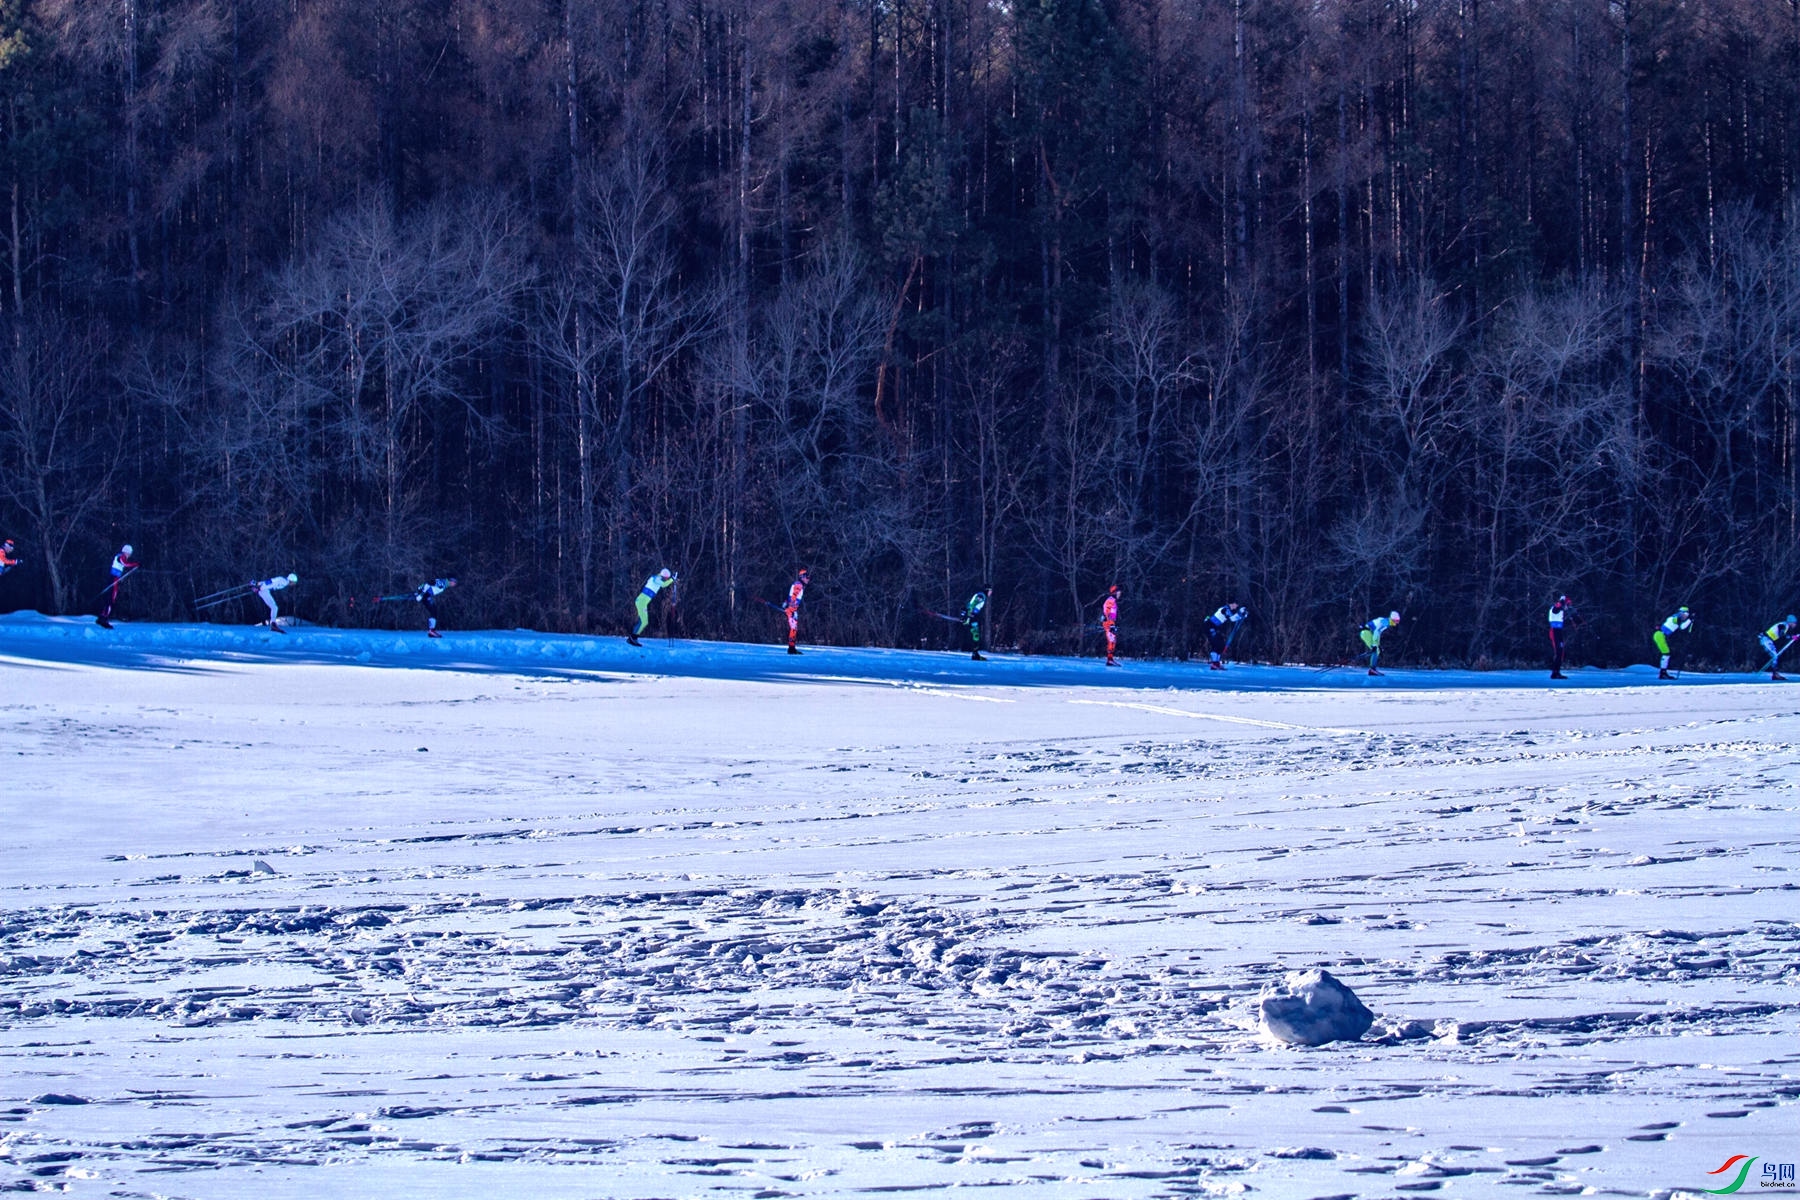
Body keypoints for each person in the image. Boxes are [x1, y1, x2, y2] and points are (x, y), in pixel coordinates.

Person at [628, 568, 678, 646]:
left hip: (642, 602)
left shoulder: (658, 578)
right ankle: (632, 638)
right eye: (666, 578)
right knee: (644, 622)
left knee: (643, 622)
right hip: (641, 602)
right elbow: (663, 585)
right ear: (664, 576)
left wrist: (671, 580)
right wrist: (672, 580)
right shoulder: (656, 578)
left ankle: (632, 638)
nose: (665, 580)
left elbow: (663, 583)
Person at [97, 544, 138, 629]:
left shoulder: (121, 556)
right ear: (126, 552)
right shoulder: (121, 556)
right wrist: (136, 564)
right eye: (129, 553)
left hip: (114, 578)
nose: (130, 555)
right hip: (113, 579)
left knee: (109, 599)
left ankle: (102, 616)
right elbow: (125, 564)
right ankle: (104, 619)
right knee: (111, 600)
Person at [1206, 601, 1248, 670]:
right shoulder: (1226, 609)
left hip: (1213, 627)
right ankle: (1215, 664)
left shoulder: (1227, 610)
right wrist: (1240, 613)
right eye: (1236, 604)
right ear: (1232, 603)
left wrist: (1242, 615)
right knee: (1218, 644)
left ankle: (1216, 664)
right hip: (1209, 626)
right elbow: (1232, 619)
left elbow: (1233, 618)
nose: (1236, 606)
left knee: (1221, 645)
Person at [1653, 606, 1691, 679]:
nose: (1686, 616)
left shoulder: (1675, 617)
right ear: (1681, 613)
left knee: (1667, 653)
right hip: (1660, 635)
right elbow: (1682, 627)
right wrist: (1689, 621)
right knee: (1666, 654)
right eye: (1685, 614)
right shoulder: (1676, 617)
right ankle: (1662, 673)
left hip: (1660, 635)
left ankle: (1663, 673)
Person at [1360, 610, 1401, 676]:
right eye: (1396, 621)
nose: (1397, 623)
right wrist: (1375, 645)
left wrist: (1378, 645)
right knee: (1375, 650)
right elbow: (1376, 632)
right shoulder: (1385, 622)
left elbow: (1378, 634)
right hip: (1366, 632)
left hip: (1367, 632)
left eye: (1398, 621)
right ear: (1392, 619)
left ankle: (1373, 669)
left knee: (1377, 650)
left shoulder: (1386, 622)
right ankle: (1372, 670)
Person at [1759, 614, 1797, 681]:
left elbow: (1781, 636)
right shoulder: (1784, 625)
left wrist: (1791, 637)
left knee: (1775, 655)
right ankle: (1775, 674)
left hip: (1768, 640)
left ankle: (1775, 674)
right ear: (1790, 622)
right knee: (1774, 655)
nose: (1795, 625)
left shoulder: (1785, 626)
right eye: (1794, 623)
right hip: (1766, 639)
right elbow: (1782, 634)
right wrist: (1791, 637)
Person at [782, 568, 809, 655]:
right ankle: (791, 649)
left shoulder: (798, 584)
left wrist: (786, 603)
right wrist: (793, 611)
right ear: (802, 577)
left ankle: (792, 648)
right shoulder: (799, 585)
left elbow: (791, 597)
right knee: (793, 628)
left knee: (794, 628)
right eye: (807, 577)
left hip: (791, 609)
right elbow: (793, 597)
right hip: (791, 610)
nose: (808, 579)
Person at [1547, 595, 1575, 679]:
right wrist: (1562, 602)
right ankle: (1555, 672)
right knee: (1558, 652)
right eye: (1567, 604)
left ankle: (1556, 671)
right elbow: (1556, 609)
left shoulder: (1561, 611)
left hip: (1558, 631)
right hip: (1554, 631)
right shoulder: (1555, 608)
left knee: (1561, 652)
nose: (1568, 606)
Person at [965, 587, 990, 661]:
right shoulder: (981, 596)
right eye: (990, 591)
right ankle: (975, 654)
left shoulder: (981, 595)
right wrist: (968, 616)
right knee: (976, 636)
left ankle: (975, 653)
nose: (990, 593)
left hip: (973, 617)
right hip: (972, 617)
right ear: (987, 590)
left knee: (976, 636)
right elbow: (972, 605)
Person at [1102, 585, 1121, 666]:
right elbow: (1109, 613)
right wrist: (1111, 625)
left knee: (1113, 641)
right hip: (1108, 624)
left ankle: (1110, 659)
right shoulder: (1111, 600)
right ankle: (1109, 660)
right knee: (1111, 641)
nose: (1120, 594)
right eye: (1119, 592)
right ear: (1115, 593)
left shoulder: (1112, 600)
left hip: (1109, 623)